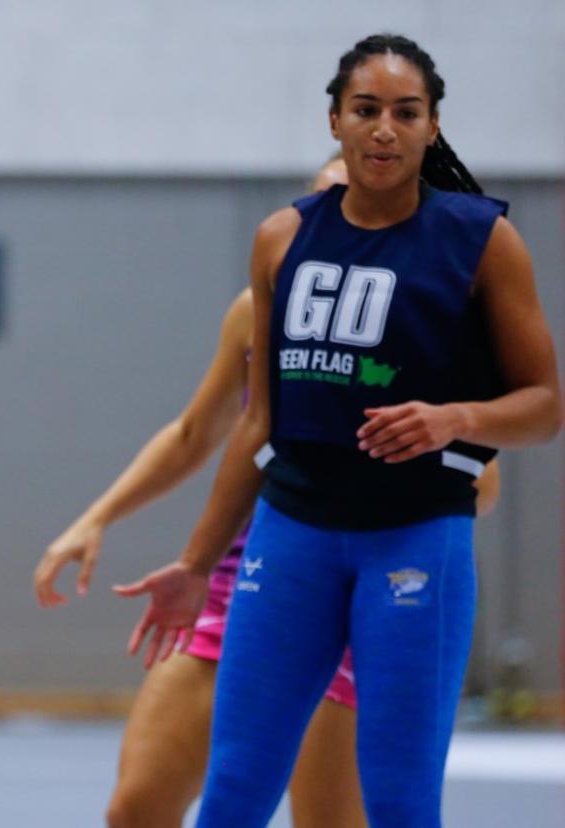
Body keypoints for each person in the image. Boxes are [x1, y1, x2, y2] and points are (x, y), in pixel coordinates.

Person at [115, 34, 559, 827]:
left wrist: (455, 418)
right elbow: (258, 421)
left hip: (417, 538)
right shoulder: (283, 237)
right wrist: (193, 563)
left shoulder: (483, 241)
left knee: (399, 800)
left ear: (431, 127)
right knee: (235, 792)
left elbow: (544, 404)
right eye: (366, 110)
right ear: (335, 121)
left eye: (405, 112)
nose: (384, 128)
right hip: (293, 540)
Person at [35, 156, 498, 828]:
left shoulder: (428, 320)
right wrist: (96, 517)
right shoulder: (260, 309)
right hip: (247, 578)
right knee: (137, 808)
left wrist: (407, 462)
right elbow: (197, 432)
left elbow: (483, 484)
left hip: (363, 587)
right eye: (326, 204)